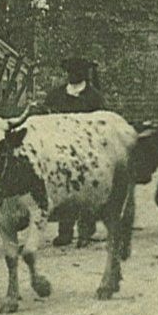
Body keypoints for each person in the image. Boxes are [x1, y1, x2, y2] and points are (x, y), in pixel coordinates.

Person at [44, 56, 107, 247]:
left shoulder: (94, 97)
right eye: (70, 71)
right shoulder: (56, 95)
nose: (73, 75)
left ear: (85, 73)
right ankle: (65, 232)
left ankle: (85, 232)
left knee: (86, 192)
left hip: (86, 152)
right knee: (65, 191)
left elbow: (102, 123)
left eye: (77, 72)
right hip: (61, 151)